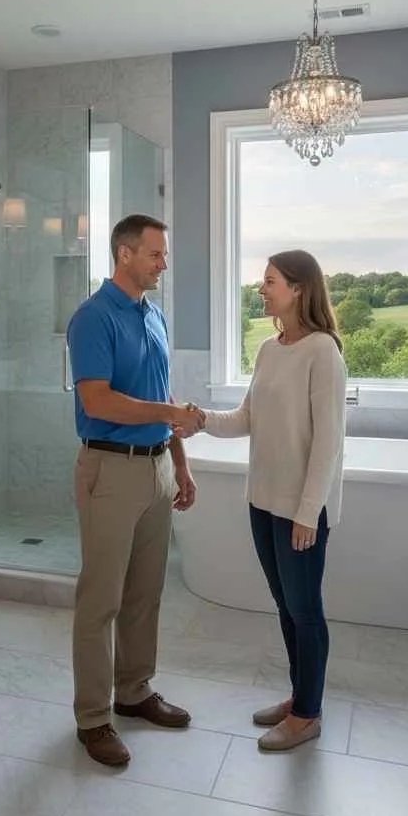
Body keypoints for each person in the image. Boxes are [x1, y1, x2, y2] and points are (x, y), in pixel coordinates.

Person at [188, 250, 346, 751]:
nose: (262, 289)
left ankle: (307, 714)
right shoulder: (268, 349)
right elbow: (245, 419)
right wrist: (200, 420)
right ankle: (300, 696)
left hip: (301, 510)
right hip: (262, 501)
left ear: (299, 288)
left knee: (306, 610)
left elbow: (328, 443)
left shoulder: (323, 352)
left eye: (270, 281)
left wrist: (307, 512)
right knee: (284, 605)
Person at [67, 213, 204, 767]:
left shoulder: (154, 316)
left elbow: (159, 392)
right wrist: (171, 414)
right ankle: (93, 718)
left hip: (156, 468)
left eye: (163, 254)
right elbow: (98, 401)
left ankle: (134, 691)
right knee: (101, 600)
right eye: (155, 254)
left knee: (145, 594)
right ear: (125, 254)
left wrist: (181, 462)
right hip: (110, 468)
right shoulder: (93, 318)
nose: (163, 263)